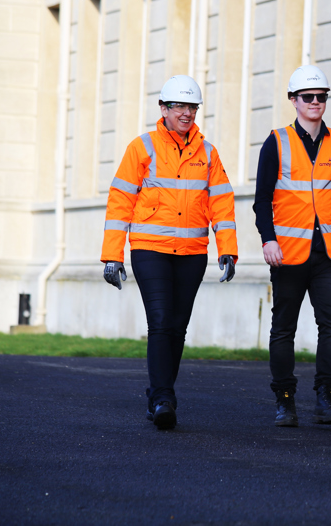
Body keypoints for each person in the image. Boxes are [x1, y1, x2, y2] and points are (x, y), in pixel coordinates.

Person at [101, 75, 238, 430]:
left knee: (177, 326)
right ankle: (164, 398)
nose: (186, 113)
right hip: (151, 250)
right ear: (163, 109)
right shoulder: (142, 147)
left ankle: (159, 393)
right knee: (161, 321)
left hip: (192, 252)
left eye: (192, 107)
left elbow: (222, 203)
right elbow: (120, 202)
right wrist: (112, 255)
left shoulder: (208, 152)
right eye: (179, 106)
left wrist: (229, 250)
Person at [253, 64, 331, 427]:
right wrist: (268, 239)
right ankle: (285, 402)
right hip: (287, 252)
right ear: (294, 100)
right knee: (284, 328)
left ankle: (326, 399)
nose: (315, 102)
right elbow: (261, 199)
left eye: (321, 97)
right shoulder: (277, 141)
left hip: (330, 252)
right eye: (308, 97)